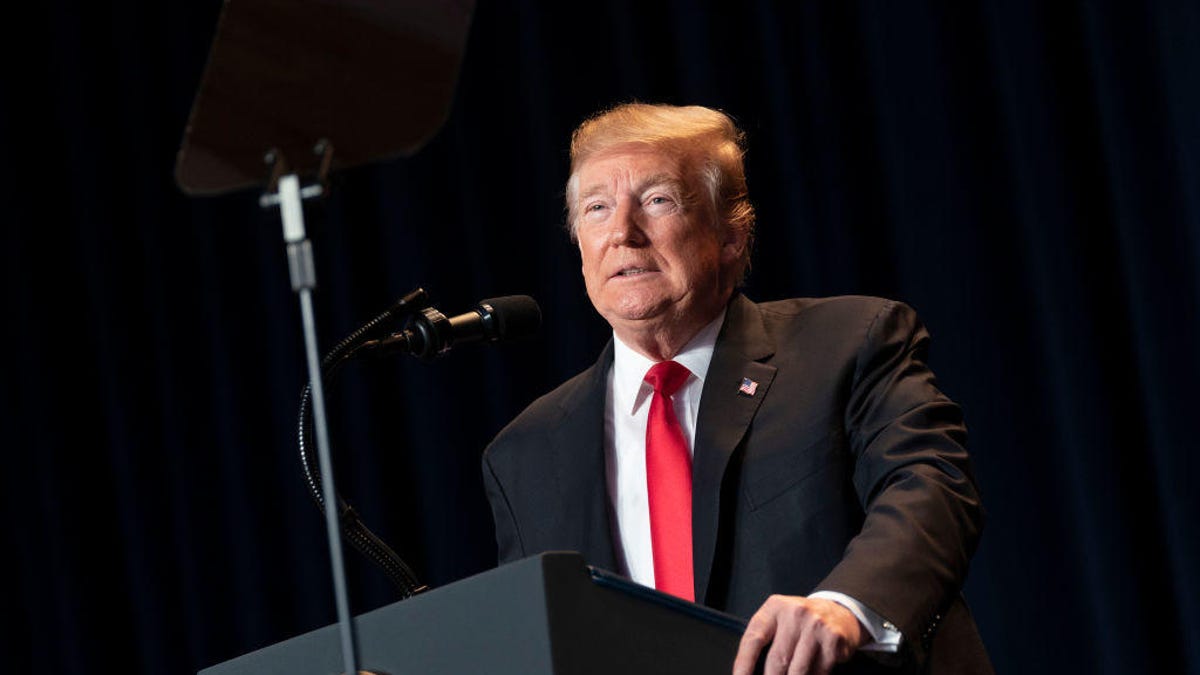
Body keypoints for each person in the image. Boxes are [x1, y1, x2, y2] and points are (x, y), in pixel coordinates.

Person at [482, 103, 991, 674]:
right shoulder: (524, 453)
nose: (622, 233)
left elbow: (930, 487)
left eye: (657, 200)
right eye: (597, 209)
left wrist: (848, 606)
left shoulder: (849, 343)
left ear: (730, 234)